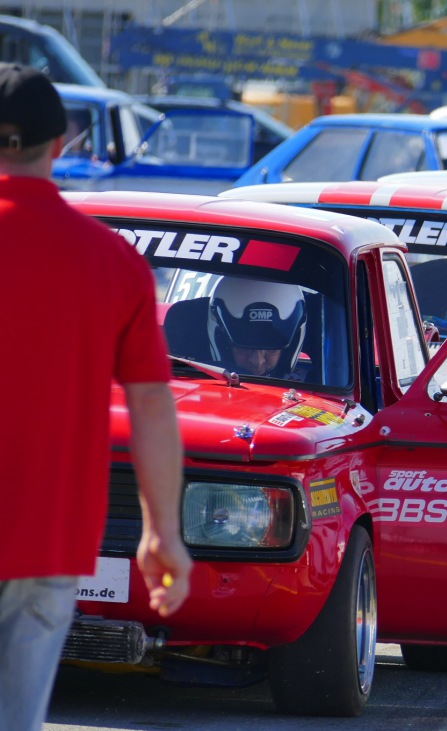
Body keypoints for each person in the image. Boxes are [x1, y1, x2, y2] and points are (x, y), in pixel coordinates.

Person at [0, 63, 191, 731]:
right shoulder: (113, 261)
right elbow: (152, 408)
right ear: (62, 144)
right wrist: (162, 530)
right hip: (49, 538)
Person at [208, 277, 308, 378]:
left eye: (271, 349)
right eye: (243, 348)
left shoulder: (309, 386)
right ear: (224, 343)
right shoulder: (197, 375)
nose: (257, 362)